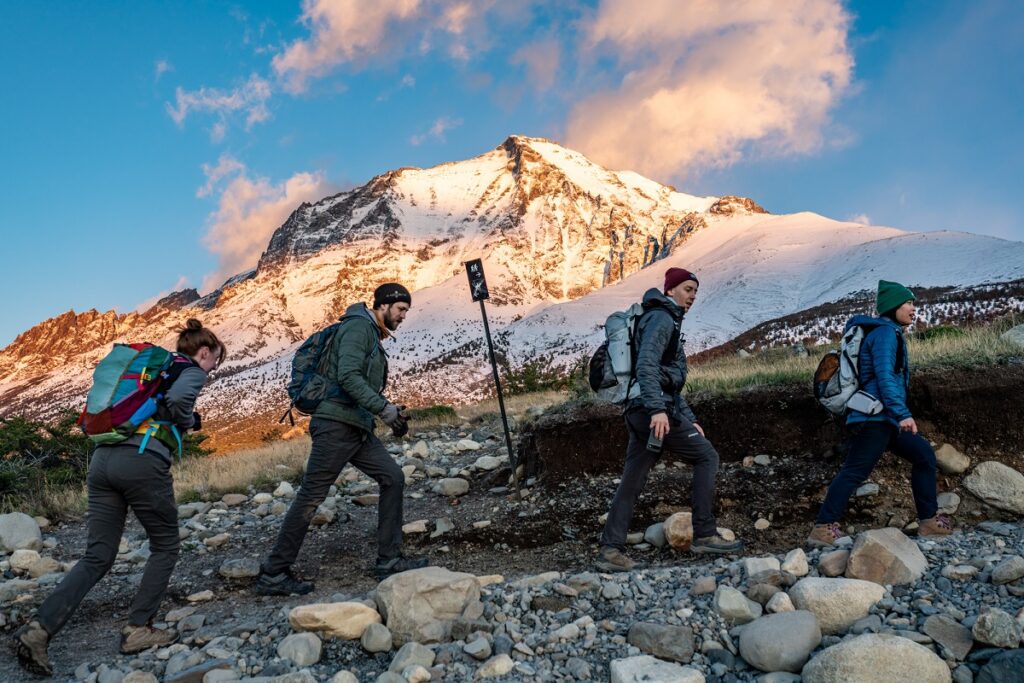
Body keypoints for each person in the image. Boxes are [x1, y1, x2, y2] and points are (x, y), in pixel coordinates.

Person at [14, 319, 225, 677]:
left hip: (102, 462)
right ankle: (138, 628)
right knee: (166, 545)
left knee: (98, 556)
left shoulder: (153, 372)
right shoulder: (190, 371)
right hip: (141, 460)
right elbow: (176, 402)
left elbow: (161, 400)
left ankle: (39, 630)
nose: (211, 370)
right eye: (213, 362)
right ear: (203, 352)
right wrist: (187, 420)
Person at [256, 283, 428, 595]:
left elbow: (358, 383)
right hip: (336, 426)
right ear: (384, 305)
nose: (403, 316)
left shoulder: (370, 334)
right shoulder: (359, 328)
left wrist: (389, 413)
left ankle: (389, 560)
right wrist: (383, 409)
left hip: (356, 426)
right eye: (401, 309)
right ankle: (274, 572)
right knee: (310, 498)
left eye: (406, 311)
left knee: (392, 477)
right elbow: (348, 378)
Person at [596, 268, 744, 572]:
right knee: (707, 457)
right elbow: (647, 366)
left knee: (632, 479)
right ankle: (704, 534)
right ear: (671, 290)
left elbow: (668, 381)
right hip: (651, 410)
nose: (692, 297)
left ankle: (610, 550)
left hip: (639, 409)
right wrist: (658, 410)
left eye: (695, 292)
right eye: (688, 289)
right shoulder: (662, 319)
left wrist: (689, 417)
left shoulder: (659, 317)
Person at [808, 280, 953, 547]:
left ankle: (928, 522)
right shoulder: (885, 334)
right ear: (893, 307)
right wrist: (902, 413)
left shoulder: (886, 332)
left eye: (913, 303)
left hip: (882, 417)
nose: (913, 308)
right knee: (854, 472)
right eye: (908, 303)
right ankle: (823, 527)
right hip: (874, 417)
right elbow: (885, 377)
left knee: (923, 455)